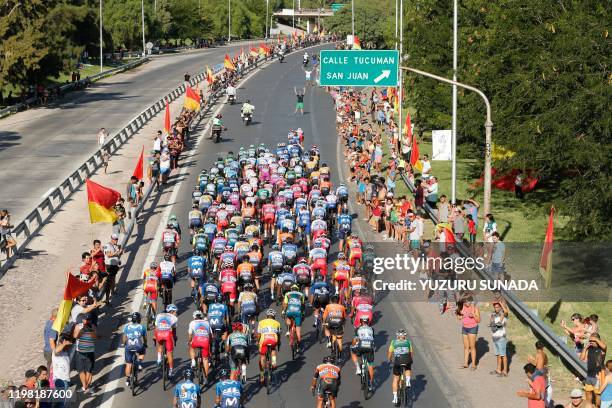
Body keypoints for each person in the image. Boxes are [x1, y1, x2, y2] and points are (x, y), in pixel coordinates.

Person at [580, 333, 607, 406]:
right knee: (588, 394)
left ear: (597, 340)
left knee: (598, 395)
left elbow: (605, 346)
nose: (591, 342)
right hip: (589, 376)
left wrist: (595, 339)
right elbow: (581, 358)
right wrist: (585, 348)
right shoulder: (589, 348)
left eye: (593, 340)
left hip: (598, 376)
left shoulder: (601, 349)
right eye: (590, 340)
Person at [388, 329, 413, 405]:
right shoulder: (408, 342)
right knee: (408, 368)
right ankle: (408, 380)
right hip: (406, 359)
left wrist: (389, 360)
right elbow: (411, 352)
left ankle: (395, 397)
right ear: (405, 336)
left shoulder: (393, 342)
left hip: (398, 361)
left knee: (395, 379)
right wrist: (410, 360)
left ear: (397, 336)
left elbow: (390, 353)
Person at [74, 313, 97, 394]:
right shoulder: (78, 326)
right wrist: (82, 330)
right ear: (83, 319)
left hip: (90, 351)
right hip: (80, 352)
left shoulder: (93, 326)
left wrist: (90, 330)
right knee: (81, 370)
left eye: (88, 320)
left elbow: (95, 337)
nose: (86, 321)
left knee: (89, 371)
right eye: (85, 319)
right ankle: (84, 386)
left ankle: (87, 386)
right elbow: (75, 336)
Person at [256, 309, 281, 383]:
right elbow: (278, 335)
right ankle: (273, 362)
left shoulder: (261, 322)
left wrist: (258, 342)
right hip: (273, 339)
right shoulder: (277, 323)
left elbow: (259, 335)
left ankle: (262, 375)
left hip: (264, 339)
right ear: (274, 316)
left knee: (262, 356)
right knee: (273, 349)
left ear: (267, 316)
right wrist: (278, 343)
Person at [350, 316, 375, 391]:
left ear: (361, 322)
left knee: (352, 350)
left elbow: (355, 339)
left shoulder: (358, 329)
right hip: (370, 346)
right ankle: (370, 384)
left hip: (361, 346)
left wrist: (353, 345)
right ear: (368, 322)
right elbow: (372, 338)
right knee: (370, 365)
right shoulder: (372, 329)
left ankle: (358, 368)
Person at [122, 312, 146, 388]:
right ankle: (139, 363)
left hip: (128, 347)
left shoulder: (127, 326)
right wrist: (145, 343)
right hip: (138, 346)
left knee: (128, 364)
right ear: (139, 320)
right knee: (143, 351)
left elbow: (124, 337)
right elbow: (145, 338)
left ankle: (127, 379)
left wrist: (124, 344)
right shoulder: (142, 327)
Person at [155, 304, 179, 379]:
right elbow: (174, 331)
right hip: (167, 335)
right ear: (172, 311)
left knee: (160, 345)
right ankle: (171, 370)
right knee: (170, 353)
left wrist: (154, 336)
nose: (176, 313)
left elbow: (156, 327)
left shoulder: (159, 315)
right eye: (175, 311)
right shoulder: (174, 318)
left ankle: (159, 359)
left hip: (159, 333)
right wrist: (175, 338)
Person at [188, 310, 211, 384]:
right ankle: (206, 378)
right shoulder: (207, 322)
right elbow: (211, 335)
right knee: (205, 360)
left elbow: (190, 334)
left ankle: (193, 361)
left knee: (191, 347)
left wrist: (189, 341)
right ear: (201, 316)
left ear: (194, 317)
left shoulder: (192, 322)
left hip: (197, 340)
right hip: (205, 341)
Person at [457, 296, 480, 370]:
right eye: (466, 301)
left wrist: (473, 315)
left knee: (472, 346)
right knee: (466, 347)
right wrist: (459, 313)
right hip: (464, 328)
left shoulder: (474, 308)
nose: (468, 303)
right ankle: (465, 364)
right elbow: (459, 318)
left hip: (472, 328)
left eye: (469, 301)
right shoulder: (461, 307)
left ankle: (473, 365)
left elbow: (478, 320)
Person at [282, 284, 305, 351]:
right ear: (297, 289)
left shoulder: (287, 294)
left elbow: (285, 304)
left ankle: (288, 330)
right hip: (298, 312)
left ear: (291, 289)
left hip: (290, 311)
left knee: (288, 317)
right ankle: (298, 346)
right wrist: (303, 313)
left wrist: (283, 311)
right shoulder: (301, 294)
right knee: (298, 330)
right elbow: (303, 305)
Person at [489, 300, 509, 377]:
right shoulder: (493, 314)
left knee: (503, 354)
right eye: (495, 307)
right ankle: (498, 370)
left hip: (501, 337)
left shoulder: (503, 314)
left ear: (500, 307)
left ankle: (505, 371)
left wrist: (501, 303)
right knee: (498, 354)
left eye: (498, 307)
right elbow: (491, 323)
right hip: (495, 337)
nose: (496, 308)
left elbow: (506, 311)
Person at [103, 233, 123, 304]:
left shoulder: (116, 245)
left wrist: (120, 252)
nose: (116, 241)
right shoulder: (107, 246)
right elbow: (108, 255)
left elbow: (118, 253)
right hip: (109, 266)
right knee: (109, 282)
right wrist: (117, 253)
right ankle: (107, 299)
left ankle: (113, 291)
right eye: (114, 239)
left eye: (116, 239)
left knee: (113, 279)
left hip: (115, 265)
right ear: (111, 239)